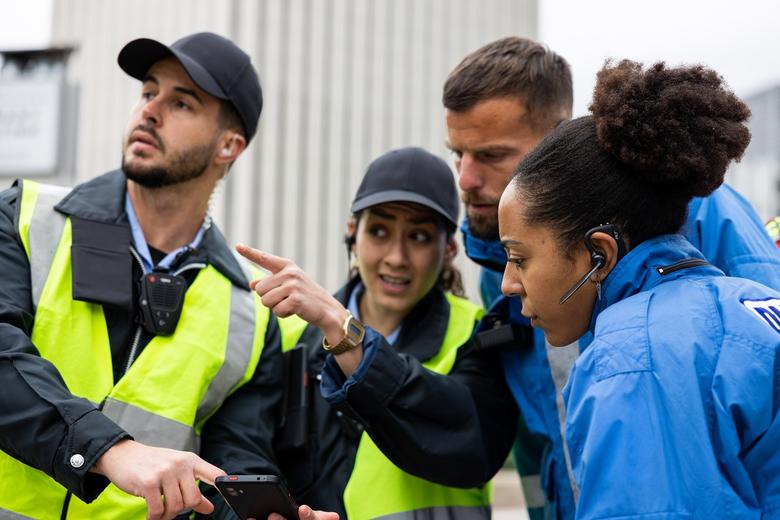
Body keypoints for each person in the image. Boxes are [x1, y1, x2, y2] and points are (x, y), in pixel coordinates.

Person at [443, 37, 780, 519]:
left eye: (493, 154)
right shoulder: (740, 306)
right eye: (458, 154)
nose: (465, 179)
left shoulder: (633, 358)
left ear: (599, 253)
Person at [0, 32, 283, 520]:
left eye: (182, 103)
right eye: (149, 92)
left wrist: (262, 514)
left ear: (229, 145)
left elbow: (231, 463)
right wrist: (109, 451)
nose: (149, 111)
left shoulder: (252, 314)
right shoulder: (24, 217)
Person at [237, 147, 516, 519]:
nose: (396, 257)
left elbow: (475, 448)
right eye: (380, 231)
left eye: (418, 237)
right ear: (353, 233)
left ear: (448, 248)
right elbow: (240, 441)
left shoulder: (478, 331)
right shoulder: (288, 333)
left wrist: (348, 337)